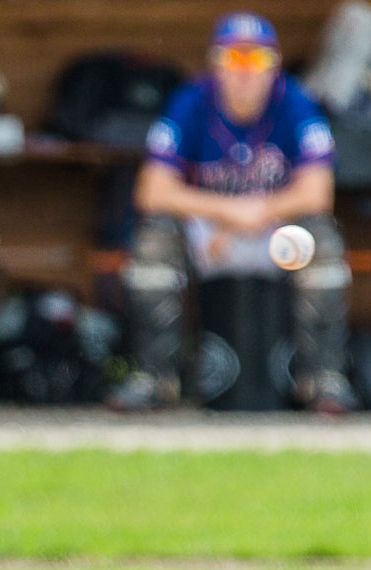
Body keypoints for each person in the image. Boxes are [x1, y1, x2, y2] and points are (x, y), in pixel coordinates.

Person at [111, 12, 354, 415]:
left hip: (273, 230)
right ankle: (155, 377)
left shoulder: (294, 101)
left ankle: (323, 378)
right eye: (232, 59)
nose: (243, 72)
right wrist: (228, 213)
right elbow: (152, 191)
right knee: (153, 243)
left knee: (322, 241)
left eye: (255, 60)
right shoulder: (191, 101)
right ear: (215, 64)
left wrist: (256, 213)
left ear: (273, 65)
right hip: (210, 231)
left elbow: (317, 192)